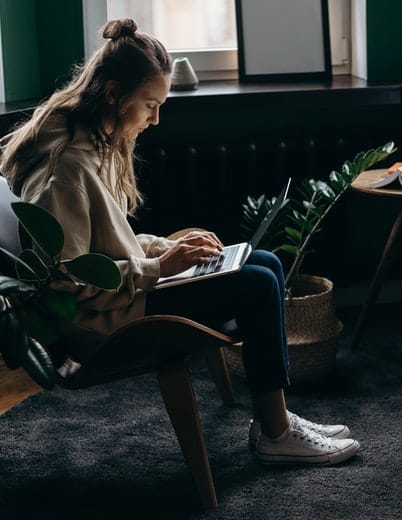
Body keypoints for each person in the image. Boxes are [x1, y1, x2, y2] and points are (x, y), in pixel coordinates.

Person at [0, 18, 359, 466]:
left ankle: (276, 417)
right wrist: (158, 268)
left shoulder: (91, 142)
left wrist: (165, 247)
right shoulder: (66, 169)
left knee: (264, 262)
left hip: (125, 296)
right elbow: (67, 282)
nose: (155, 118)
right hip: (106, 322)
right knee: (257, 285)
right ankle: (276, 431)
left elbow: (108, 242)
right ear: (113, 94)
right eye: (149, 104)